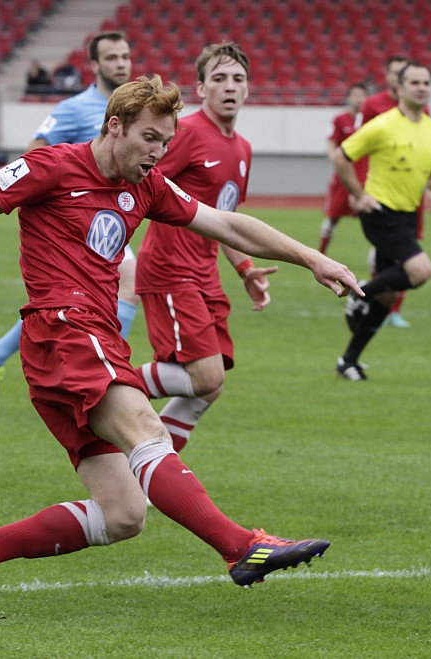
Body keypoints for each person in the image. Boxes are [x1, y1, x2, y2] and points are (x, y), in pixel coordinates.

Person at [0, 75, 360, 613]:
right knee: (147, 428)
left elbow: (226, 225)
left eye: (165, 142)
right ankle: (241, 547)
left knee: (123, 514)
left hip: (84, 341)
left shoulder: (149, 185)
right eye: (149, 139)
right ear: (115, 126)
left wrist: (313, 259)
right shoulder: (52, 166)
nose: (158, 153)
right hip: (64, 329)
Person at [0, 31, 137, 404]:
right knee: (125, 282)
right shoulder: (73, 109)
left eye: (125, 56)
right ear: (94, 65)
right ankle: (113, 372)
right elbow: (34, 152)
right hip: (75, 227)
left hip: (109, 224)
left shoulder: (133, 111)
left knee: (75, 302)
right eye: (112, 58)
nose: (121, 64)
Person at [135, 43, 263, 452]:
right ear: (202, 88)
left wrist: (246, 270)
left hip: (206, 276)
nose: (230, 86)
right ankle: (102, 383)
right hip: (170, 270)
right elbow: (140, 184)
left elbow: (226, 221)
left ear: (247, 88)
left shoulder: (242, 148)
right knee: (207, 377)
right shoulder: (186, 133)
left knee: (210, 386)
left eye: (238, 79)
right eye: (219, 78)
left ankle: (150, 470)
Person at [330, 62, 431, 381]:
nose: (421, 88)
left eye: (426, 83)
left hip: (407, 215)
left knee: (387, 296)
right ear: (399, 89)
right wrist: (359, 194)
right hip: (379, 212)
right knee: (420, 271)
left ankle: (348, 360)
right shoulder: (383, 125)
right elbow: (341, 157)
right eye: (414, 82)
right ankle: (359, 293)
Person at [355, 55, 428, 330]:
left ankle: (387, 309)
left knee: (403, 256)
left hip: (409, 196)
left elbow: (425, 149)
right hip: (379, 194)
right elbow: (357, 149)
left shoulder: (421, 109)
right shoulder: (373, 106)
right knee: (406, 259)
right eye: (396, 74)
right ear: (390, 78)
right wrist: (359, 190)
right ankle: (367, 296)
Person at [318, 82, 368, 255]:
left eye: (361, 96)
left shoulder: (371, 120)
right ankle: (321, 253)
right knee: (333, 216)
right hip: (343, 178)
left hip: (366, 177)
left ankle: (378, 263)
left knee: (372, 218)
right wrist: (337, 162)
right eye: (355, 95)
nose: (358, 99)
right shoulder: (340, 119)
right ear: (349, 98)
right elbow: (331, 144)